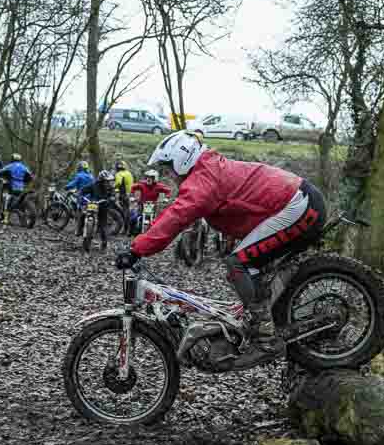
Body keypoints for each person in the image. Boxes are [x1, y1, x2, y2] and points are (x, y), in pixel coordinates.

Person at [115, 131, 326, 355]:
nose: (170, 176)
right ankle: (265, 317)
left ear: (182, 160)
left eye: (169, 169)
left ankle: (266, 337)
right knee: (249, 269)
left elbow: (176, 216)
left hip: (299, 206)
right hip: (299, 201)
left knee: (238, 264)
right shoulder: (208, 169)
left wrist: (137, 249)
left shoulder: (203, 180)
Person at [78, 170, 115, 251]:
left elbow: (113, 195)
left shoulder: (110, 187)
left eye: (108, 181)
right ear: (101, 181)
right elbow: (83, 190)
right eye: (106, 181)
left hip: (103, 206)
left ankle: (104, 242)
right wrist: (81, 195)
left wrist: (111, 198)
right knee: (83, 214)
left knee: (103, 225)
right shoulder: (94, 185)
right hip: (92, 205)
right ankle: (79, 230)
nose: (107, 183)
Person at [0, 153, 34, 223]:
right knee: (20, 201)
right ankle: (22, 219)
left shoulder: (10, 166)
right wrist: (24, 181)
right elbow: (30, 176)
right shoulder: (24, 167)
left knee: (3, 198)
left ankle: (1, 216)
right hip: (21, 188)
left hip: (10, 186)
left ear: (12, 159)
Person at [130, 169, 171, 234]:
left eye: (151, 177)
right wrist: (132, 196)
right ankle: (131, 232)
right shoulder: (142, 184)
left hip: (153, 205)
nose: (148, 179)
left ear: (155, 178)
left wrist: (166, 198)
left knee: (157, 219)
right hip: (142, 204)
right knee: (134, 218)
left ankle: (155, 232)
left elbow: (168, 190)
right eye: (147, 177)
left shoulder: (158, 186)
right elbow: (133, 187)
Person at [65, 161, 94, 236]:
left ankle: (78, 231)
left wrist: (66, 186)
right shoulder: (91, 176)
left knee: (79, 214)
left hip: (82, 197)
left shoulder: (79, 175)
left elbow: (73, 183)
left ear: (79, 167)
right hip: (91, 198)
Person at [113, 160, 133, 231]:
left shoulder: (119, 174)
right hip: (129, 194)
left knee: (121, 211)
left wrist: (112, 187)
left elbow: (118, 183)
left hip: (122, 194)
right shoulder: (129, 173)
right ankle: (127, 228)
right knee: (127, 210)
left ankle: (123, 228)